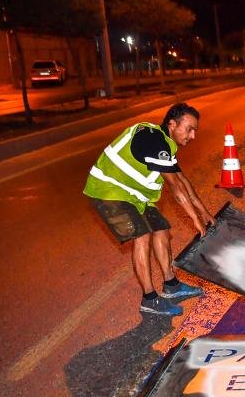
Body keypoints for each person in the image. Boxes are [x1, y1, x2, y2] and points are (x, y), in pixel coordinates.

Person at [83, 103, 215, 316]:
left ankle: (171, 284)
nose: (192, 136)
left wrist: (205, 212)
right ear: (172, 124)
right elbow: (175, 188)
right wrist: (195, 220)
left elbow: (182, 180)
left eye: (195, 131)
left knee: (161, 229)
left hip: (134, 195)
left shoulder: (165, 145)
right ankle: (149, 299)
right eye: (189, 129)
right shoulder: (154, 140)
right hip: (109, 190)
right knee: (142, 235)